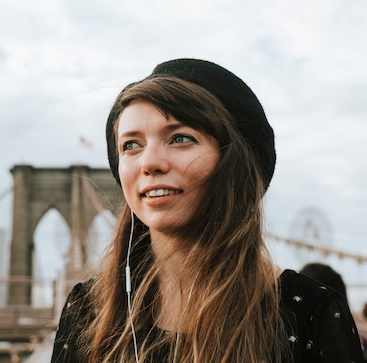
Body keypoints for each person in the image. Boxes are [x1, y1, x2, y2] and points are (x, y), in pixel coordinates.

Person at [50, 58, 364, 363]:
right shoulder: (86, 310)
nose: (148, 163)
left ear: (234, 163)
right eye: (131, 145)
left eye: (180, 138)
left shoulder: (309, 312)